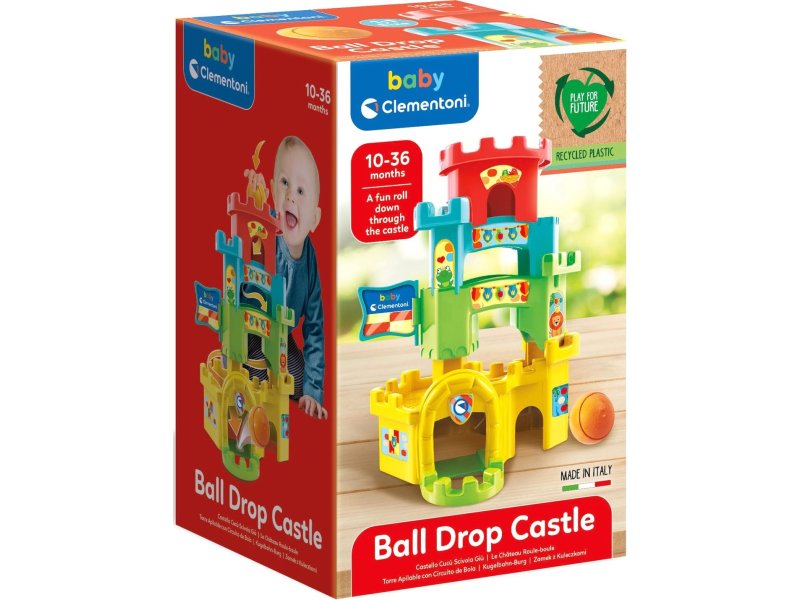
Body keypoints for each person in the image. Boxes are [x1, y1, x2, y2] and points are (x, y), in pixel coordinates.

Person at [246, 136, 327, 420]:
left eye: (301, 191)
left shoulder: (310, 260)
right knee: (260, 384)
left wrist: (313, 390)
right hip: (252, 334)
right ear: (272, 191)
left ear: (314, 219)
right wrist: (255, 200)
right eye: (284, 183)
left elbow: (315, 327)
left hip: (281, 340)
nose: (291, 195)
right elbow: (251, 241)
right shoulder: (264, 231)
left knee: (301, 386)